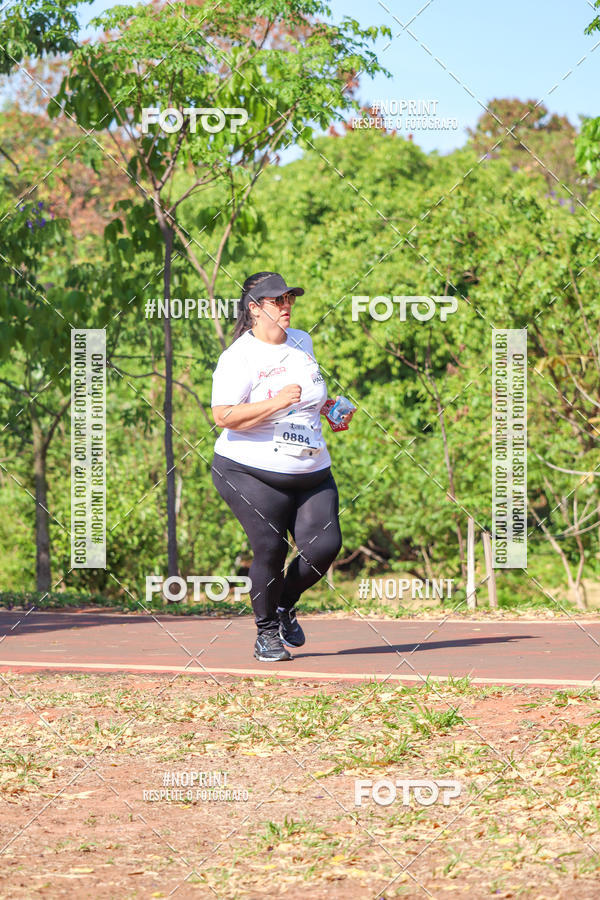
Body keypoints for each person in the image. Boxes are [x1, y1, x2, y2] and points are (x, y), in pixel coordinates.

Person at [210, 271, 354, 662]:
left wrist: (329, 408)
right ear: (255, 309)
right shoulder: (238, 357)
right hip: (248, 471)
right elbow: (223, 416)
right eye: (278, 301)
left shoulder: (302, 341)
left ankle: (284, 603)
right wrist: (277, 402)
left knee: (325, 547)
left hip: (310, 469)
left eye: (290, 298)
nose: (287, 306)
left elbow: (308, 392)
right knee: (271, 548)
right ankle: (266, 633)